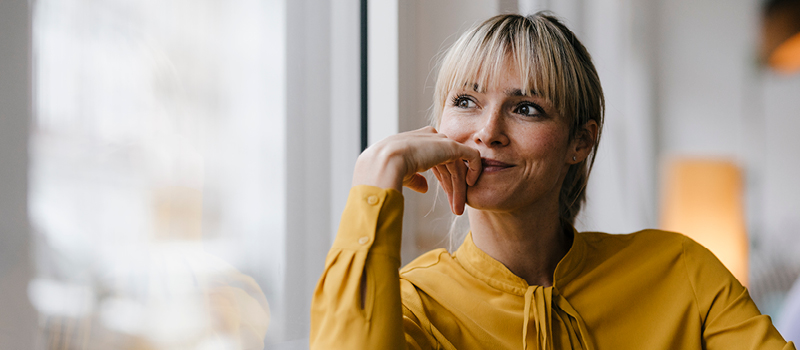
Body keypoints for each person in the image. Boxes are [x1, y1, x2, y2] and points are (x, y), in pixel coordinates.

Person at [310, 13, 795, 349]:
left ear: (580, 143)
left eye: (526, 108)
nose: (488, 132)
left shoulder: (680, 271)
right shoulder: (413, 305)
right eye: (465, 101)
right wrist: (376, 178)